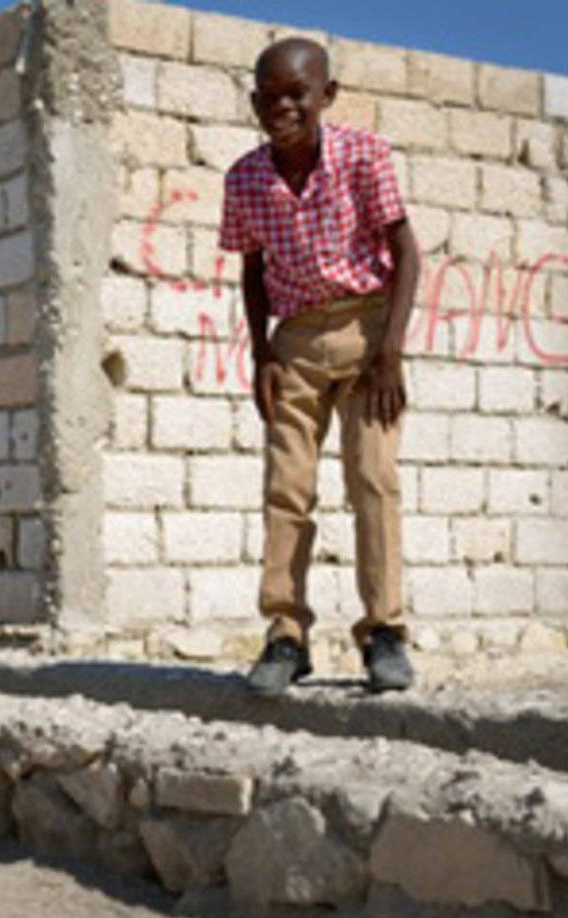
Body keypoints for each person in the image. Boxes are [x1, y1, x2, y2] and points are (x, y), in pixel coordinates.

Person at [219, 38, 421, 695]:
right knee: (286, 489)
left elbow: (407, 254)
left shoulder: (365, 156)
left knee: (373, 479)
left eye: (297, 94)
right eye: (270, 96)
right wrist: (261, 353)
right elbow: (252, 271)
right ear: (254, 102)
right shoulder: (244, 178)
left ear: (325, 97)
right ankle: (285, 637)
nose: (283, 106)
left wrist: (389, 351)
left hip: (367, 332)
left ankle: (384, 633)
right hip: (296, 340)